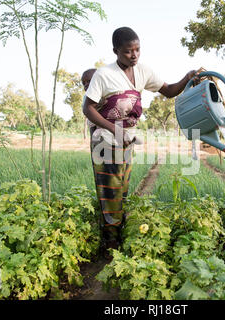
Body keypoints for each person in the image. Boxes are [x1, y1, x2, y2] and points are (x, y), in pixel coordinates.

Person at [82, 26, 200, 259]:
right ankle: (111, 242)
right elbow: (88, 108)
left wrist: (187, 78)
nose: (134, 55)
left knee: (122, 187)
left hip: (126, 140)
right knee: (110, 189)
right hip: (105, 139)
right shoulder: (104, 75)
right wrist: (113, 128)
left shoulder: (143, 71)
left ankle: (116, 231)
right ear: (116, 51)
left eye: (137, 50)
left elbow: (168, 91)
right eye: (128, 51)